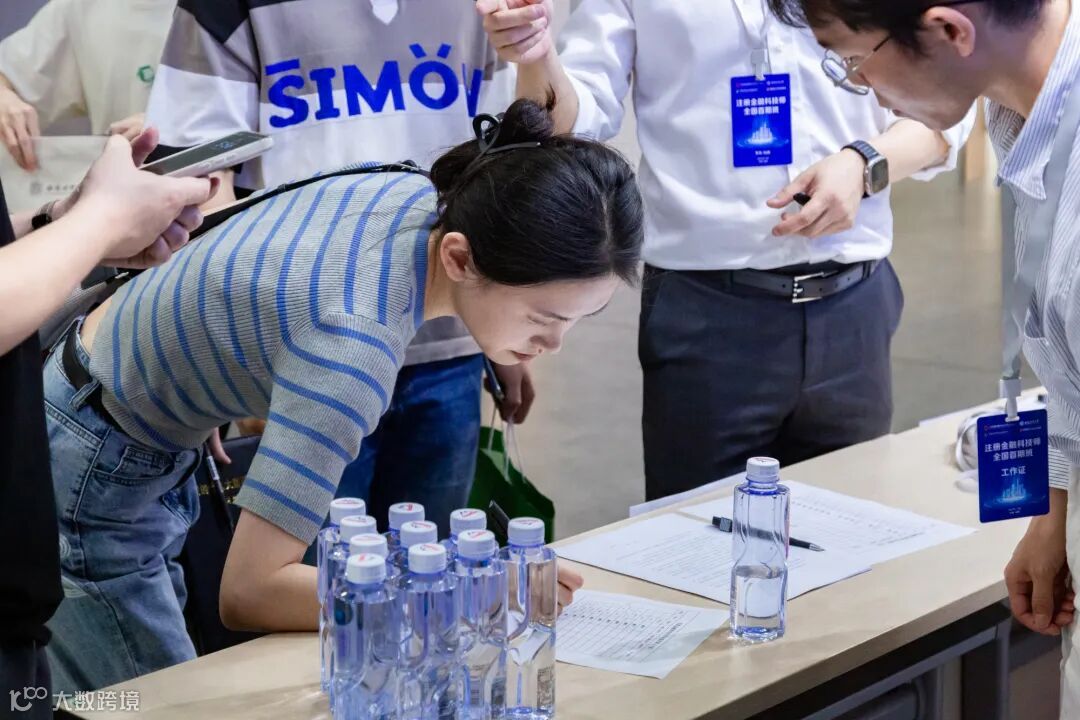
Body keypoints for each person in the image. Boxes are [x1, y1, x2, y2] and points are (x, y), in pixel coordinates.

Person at [44, 98, 637, 691]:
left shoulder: (420, 190)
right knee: (152, 702)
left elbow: (254, 274)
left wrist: (197, 384)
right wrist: (466, 594)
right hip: (95, 463)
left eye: (576, 320)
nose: (553, 344)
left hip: (96, 392)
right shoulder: (354, 348)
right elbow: (249, 592)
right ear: (458, 257)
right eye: (542, 317)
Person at [479, 0, 974, 501]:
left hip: (855, 306)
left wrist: (865, 164)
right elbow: (575, 117)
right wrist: (536, 54)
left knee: (853, 522)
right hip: (707, 312)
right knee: (701, 530)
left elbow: (948, 105)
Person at [763, 0, 1080, 712]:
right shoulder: (1025, 116)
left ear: (949, 31)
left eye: (855, 61)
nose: (862, 90)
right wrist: (1055, 512)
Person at [144, 0, 535, 539]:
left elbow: (503, 163)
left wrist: (505, 327)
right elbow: (198, 183)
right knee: (306, 573)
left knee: (434, 568)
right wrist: (214, 363)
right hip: (302, 351)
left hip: (448, 349)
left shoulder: (482, 5)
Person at [0, 130, 215, 720]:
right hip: (89, 466)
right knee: (161, 702)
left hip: (21, 601)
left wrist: (60, 222)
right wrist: (100, 220)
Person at [0, 0, 176, 171]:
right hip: (118, 181)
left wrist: (172, 127)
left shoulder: (191, 13)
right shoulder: (80, 7)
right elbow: (10, 70)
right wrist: (4, 98)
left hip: (185, 178)